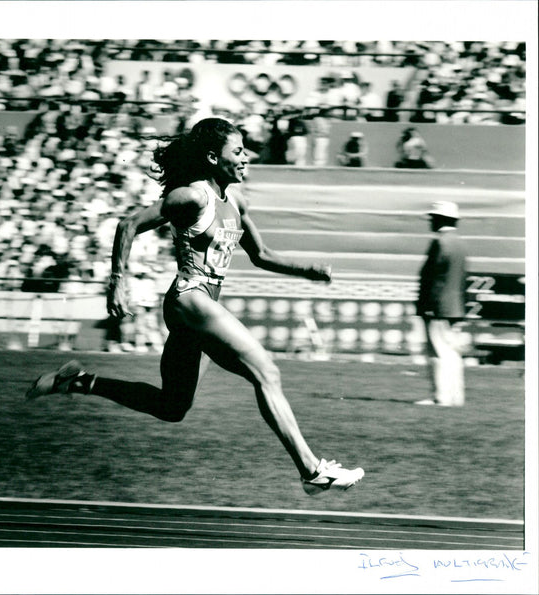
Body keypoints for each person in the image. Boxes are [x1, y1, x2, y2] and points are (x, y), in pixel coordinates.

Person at [27, 118, 364, 494]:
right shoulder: (192, 197)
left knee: (172, 407)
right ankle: (311, 470)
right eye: (237, 151)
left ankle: (77, 382)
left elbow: (262, 255)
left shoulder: (236, 200)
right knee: (266, 372)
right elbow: (128, 224)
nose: (245, 157)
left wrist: (309, 270)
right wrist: (117, 282)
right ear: (211, 157)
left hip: (202, 307)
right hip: (190, 297)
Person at [415, 201, 468, 407]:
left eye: (433, 218)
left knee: (438, 352)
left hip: (438, 306)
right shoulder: (460, 244)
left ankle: (441, 396)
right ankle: (456, 396)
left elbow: (433, 277)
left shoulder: (440, 242)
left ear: (440, 220)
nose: (431, 222)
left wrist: (427, 305)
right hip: (455, 307)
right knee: (452, 353)